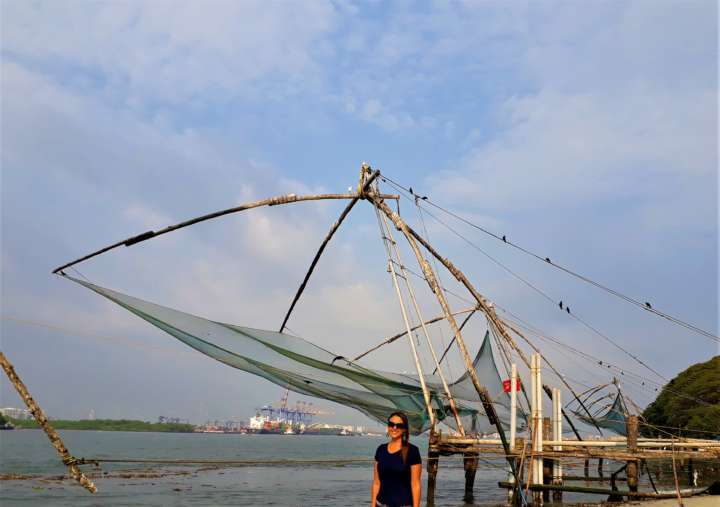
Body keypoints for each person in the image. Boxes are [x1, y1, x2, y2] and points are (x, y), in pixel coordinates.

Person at [371, 411, 422, 507]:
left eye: (399, 425)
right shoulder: (381, 450)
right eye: (391, 424)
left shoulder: (412, 451)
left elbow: (416, 485)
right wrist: (373, 505)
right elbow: (376, 483)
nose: (394, 428)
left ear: (404, 429)